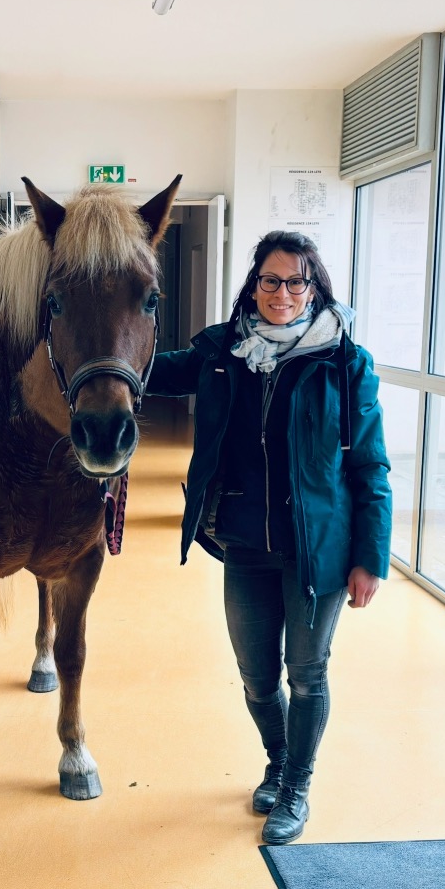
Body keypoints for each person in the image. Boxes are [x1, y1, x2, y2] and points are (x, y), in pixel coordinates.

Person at [147, 231, 392, 845]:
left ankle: (297, 787)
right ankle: (279, 759)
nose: (281, 293)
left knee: (305, 673)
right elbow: (149, 370)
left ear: (314, 288)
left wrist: (371, 558)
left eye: (294, 282)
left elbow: (370, 465)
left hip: (320, 550)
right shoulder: (225, 351)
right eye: (270, 280)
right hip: (245, 545)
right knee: (257, 677)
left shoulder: (343, 362)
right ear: (253, 284)